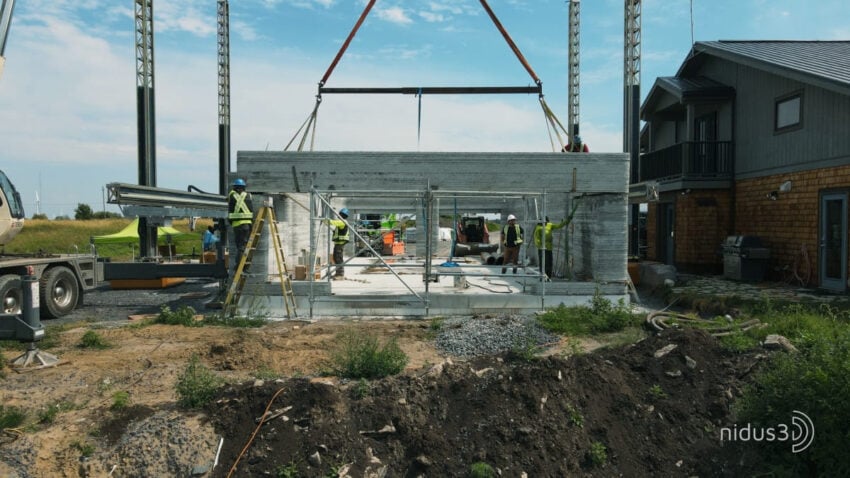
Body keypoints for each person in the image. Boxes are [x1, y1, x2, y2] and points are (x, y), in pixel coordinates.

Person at [228, 178, 254, 268]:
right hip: (247, 225)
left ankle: (239, 266)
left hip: (237, 226)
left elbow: (230, 210)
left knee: (240, 247)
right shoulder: (248, 195)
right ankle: (243, 266)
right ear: (244, 187)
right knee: (244, 246)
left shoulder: (232, 195)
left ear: (235, 187)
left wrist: (230, 222)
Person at [325, 207, 351, 280]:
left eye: (339, 215)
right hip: (338, 243)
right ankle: (338, 273)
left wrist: (325, 220)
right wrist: (326, 221)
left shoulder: (342, 222)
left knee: (338, 258)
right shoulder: (342, 222)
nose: (338, 216)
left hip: (340, 243)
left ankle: (340, 274)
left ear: (342, 215)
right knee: (336, 258)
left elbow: (333, 222)